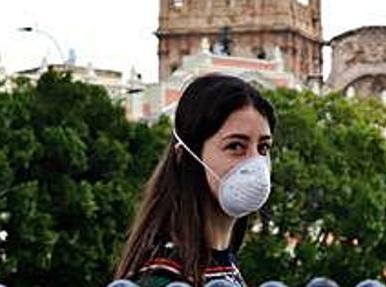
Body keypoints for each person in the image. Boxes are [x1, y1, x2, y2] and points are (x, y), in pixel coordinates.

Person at [115, 74, 276, 287]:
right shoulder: (160, 278)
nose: (254, 163)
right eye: (236, 146)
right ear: (186, 156)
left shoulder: (224, 268)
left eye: (263, 147)